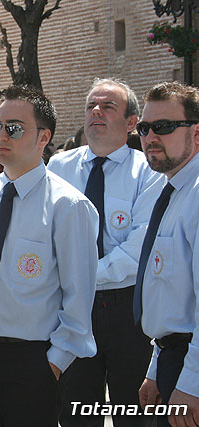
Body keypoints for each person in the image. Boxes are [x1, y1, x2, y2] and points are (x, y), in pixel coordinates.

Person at [0, 85, 98, 427]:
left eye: (14, 128)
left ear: (43, 136)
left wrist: (53, 363)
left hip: (31, 361)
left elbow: (79, 296)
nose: (1, 136)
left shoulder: (68, 205)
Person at [48, 78, 165, 427]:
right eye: (90, 106)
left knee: (132, 406)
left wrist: (79, 276)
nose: (96, 111)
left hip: (126, 308)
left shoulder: (148, 171)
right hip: (69, 307)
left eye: (107, 106)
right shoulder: (58, 167)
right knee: (75, 408)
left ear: (131, 123)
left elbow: (139, 246)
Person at [135, 81, 199, 427]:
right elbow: (172, 292)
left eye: (164, 127)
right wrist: (158, 367)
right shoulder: (172, 189)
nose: (150, 137)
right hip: (173, 359)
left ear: (197, 134)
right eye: (145, 128)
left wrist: (191, 385)